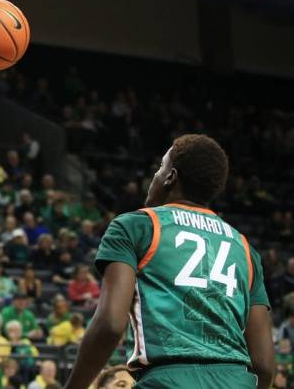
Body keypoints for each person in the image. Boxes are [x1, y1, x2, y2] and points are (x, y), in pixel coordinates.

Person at [65, 135, 275, 389]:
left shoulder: (136, 226)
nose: (154, 176)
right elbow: (264, 365)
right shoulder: (245, 250)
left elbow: (110, 325)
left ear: (170, 176)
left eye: (159, 168)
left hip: (167, 378)